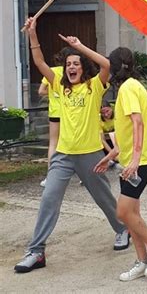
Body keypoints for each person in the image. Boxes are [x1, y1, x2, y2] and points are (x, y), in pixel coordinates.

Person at [14, 17, 128, 274]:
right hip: (63, 156)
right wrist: (33, 34)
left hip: (90, 156)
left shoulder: (93, 87)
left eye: (76, 64)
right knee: (48, 199)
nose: (71, 67)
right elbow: (40, 62)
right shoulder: (58, 86)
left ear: (82, 68)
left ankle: (122, 229)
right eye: (68, 64)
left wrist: (80, 45)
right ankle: (36, 251)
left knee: (104, 199)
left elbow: (107, 65)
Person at [94, 47, 147, 281]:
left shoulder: (127, 89)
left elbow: (138, 124)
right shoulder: (133, 86)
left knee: (123, 211)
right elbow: (128, 130)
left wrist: (135, 159)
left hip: (141, 160)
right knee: (131, 213)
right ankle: (141, 260)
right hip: (132, 160)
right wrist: (111, 155)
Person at [38, 48, 69, 187]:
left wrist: (53, 92)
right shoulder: (69, 71)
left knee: (53, 143)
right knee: (70, 142)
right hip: (68, 111)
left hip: (54, 111)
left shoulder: (51, 71)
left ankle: (50, 176)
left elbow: (41, 91)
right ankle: (81, 175)